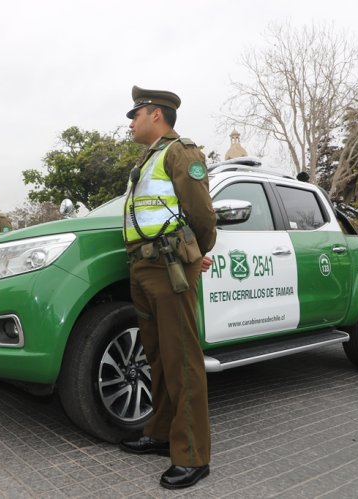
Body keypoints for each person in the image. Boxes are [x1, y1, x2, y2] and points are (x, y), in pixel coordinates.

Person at [118, 86, 217, 490]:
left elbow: (201, 214)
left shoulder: (182, 152)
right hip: (143, 266)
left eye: (135, 113)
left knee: (182, 361)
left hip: (169, 265)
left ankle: (193, 455)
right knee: (157, 356)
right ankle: (161, 433)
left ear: (155, 114)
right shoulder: (149, 157)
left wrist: (194, 254)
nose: (130, 121)